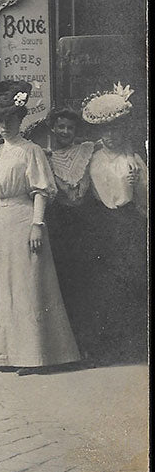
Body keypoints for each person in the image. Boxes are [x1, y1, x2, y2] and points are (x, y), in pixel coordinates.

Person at [0, 81, 81, 374]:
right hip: (1, 222)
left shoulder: (30, 150)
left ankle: (34, 356)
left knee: (27, 286)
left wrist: (37, 225)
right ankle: (2, 354)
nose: (4, 125)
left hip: (24, 219)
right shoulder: (0, 151)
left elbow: (41, 190)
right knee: (2, 287)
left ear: (21, 120)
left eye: (10, 119)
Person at [80, 82, 148, 363]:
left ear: (123, 130)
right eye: (105, 130)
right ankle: (102, 347)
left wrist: (137, 184)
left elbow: (145, 196)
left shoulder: (132, 159)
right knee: (101, 284)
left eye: (116, 130)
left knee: (129, 280)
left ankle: (129, 345)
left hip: (128, 222)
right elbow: (81, 189)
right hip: (101, 224)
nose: (110, 136)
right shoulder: (92, 158)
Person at [43, 106, 96, 355]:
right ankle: (65, 347)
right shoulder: (47, 157)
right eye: (61, 127)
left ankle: (87, 345)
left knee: (85, 282)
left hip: (84, 224)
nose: (65, 131)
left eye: (70, 128)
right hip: (59, 224)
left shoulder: (86, 151)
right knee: (62, 281)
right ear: (53, 128)